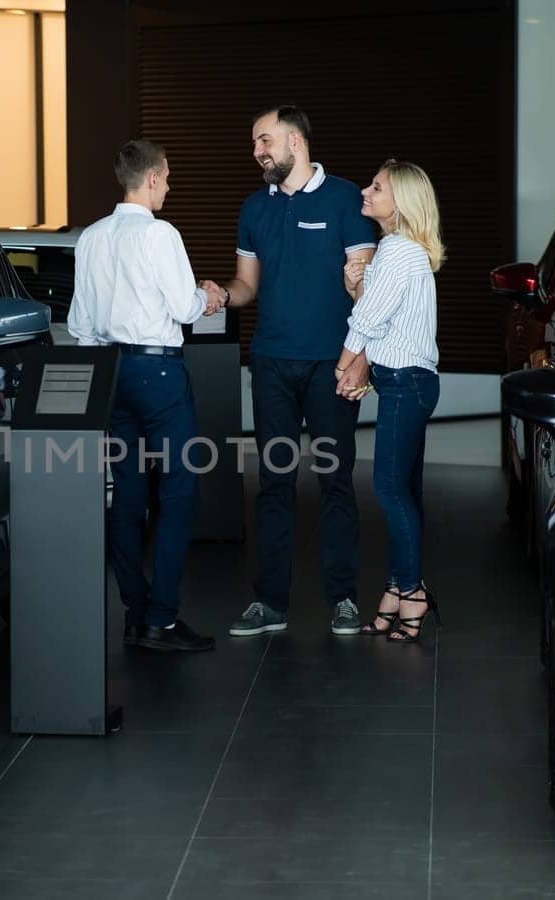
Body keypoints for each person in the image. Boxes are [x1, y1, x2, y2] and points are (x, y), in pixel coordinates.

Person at [206, 105, 377, 638]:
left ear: (295, 142)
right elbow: (247, 287)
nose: (257, 151)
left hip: (333, 365)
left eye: (264, 140)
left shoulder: (348, 199)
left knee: (336, 482)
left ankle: (344, 598)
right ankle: (269, 603)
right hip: (272, 364)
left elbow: (368, 290)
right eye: (256, 143)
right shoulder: (254, 209)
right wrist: (216, 295)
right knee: (274, 483)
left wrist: (362, 359)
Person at [69, 138, 223, 652]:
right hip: (158, 373)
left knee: (127, 497)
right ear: (152, 177)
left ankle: (135, 614)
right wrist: (211, 295)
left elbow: (81, 325)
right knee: (179, 493)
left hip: (109, 372)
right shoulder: (161, 235)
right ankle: (162, 618)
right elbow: (183, 307)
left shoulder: (90, 238)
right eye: (169, 177)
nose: (170, 187)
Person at [334, 159, 444, 642]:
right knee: (404, 492)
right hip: (404, 382)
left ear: (400, 202)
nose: (366, 190)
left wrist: (343, 366)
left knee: (390, 490)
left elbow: (368, 324)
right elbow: (376, 316)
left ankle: (411, 591)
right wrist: (356, 284)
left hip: (405, 384)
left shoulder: (399, 251)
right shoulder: (395, 251)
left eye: (376, 186)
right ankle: (399, 589)